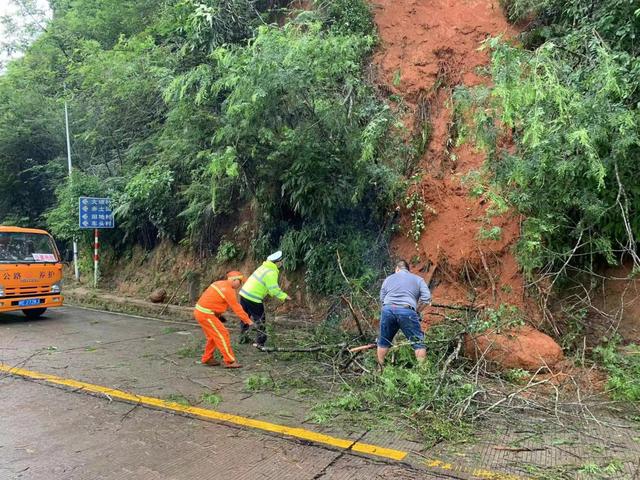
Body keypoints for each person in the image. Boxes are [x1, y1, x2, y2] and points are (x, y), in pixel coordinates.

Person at [193, 271, 254, 369]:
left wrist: (217, 314)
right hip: (206, 314)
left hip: (201, 312)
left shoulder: (218, 283)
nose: (240, 285)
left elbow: (211, 299)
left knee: (213, 336)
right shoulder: (228, 290)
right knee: (223, 334)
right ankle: (229, 361)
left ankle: (207, 358)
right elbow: (237, 308)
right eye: (240, 282)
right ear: (234, 280)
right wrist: (248, 321)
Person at [377, 259, 432, 367]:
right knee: (418, 343)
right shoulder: (418, 279)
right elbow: (427, 298)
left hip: (388, 309)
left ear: (397, 269)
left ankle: (380, 369)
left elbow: (382, 299)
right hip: (407, 310)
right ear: (408, 270)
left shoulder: (388, 279)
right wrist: (416, 311)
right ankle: (423, 372)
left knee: (383, 341)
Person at [239, 250, 290, 347]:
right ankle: (260, 342)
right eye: (281, 262)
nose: (282, 264)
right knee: (260, 320)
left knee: (245, 317)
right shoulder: (271, 272)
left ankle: (243, 338)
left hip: (244, 293)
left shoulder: (263, 267)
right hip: (253, 297)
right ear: (277, 262)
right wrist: (284, 296)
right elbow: (273, 289)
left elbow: (266, 286)